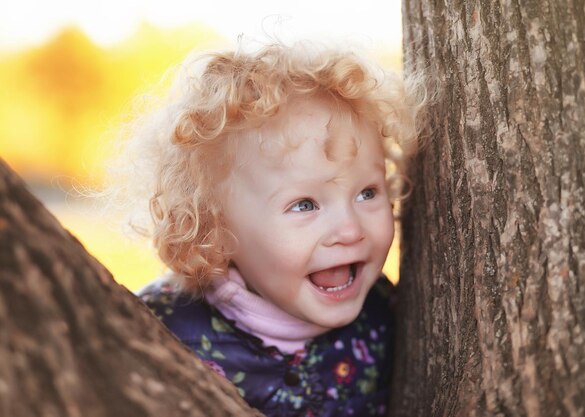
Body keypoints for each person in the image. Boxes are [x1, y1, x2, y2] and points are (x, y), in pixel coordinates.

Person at [123, 41, 426, 416]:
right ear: (215, 229)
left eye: (367, 193)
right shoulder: (164, 332)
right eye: (304, 205)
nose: (350, 230)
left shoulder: (386, 313)